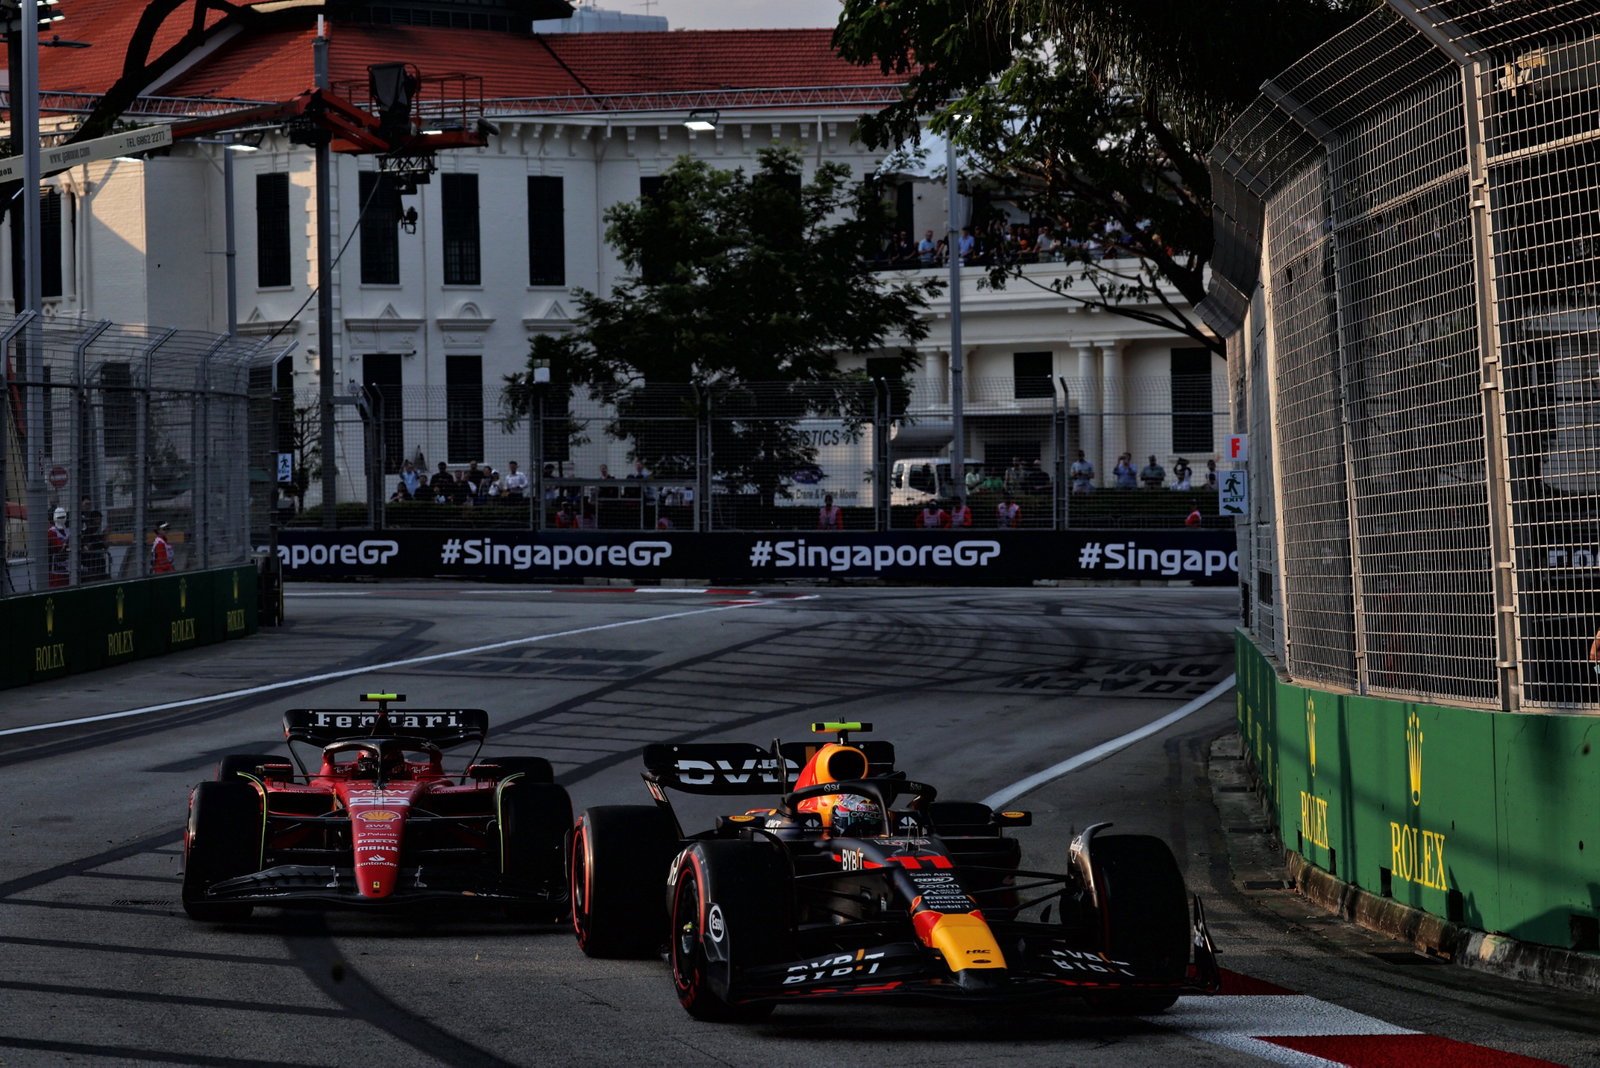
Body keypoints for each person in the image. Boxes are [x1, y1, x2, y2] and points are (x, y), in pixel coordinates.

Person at [79, 497, 107, 580]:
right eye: (86, 504)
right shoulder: (79, 518)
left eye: (89, 504)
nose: (88, 506)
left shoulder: (90, 517)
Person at [46, 507, 70, 588]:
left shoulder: (67, 530)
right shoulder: (51, 532)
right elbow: (59, 548)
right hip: (56, 570)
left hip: (67, 567)